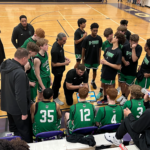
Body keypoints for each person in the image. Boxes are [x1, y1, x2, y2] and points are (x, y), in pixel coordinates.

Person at [1, 48, 32, 143]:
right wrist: (24, 112)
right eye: (27, 59)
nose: (27, 61)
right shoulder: (19, 73)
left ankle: (15, 146)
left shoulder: (5, 65)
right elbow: (20, 95)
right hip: (18, 109)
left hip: (8, 105)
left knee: (14, 131)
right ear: (23, 58)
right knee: (25, 132)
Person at [96, 32, 125, 105]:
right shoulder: (108, 48)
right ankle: (105, 99)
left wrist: (107, 63)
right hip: (104, 71)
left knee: (111, 89)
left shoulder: (118, 52)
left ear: (117, 40)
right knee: (105, 86)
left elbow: (118, 66)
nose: (113, 38)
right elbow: (106, 59)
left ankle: (111, 101)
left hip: (111, 74)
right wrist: (102, 61)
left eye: (114, 37)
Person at [117, 34, 142, 105]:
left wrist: (133, 48)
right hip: (124, 70)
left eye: (136, 42)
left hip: (131, 72)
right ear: (130, 41)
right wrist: (124, 62)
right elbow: (122, 56)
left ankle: (125, 98)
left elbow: (134, 59)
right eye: (134, 42)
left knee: (128, 86)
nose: (135, 44)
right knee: (122, 84)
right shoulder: (125, 47)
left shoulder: (138, 48)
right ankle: (122, 95)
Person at [51, 33, 70, 105]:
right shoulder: (55, 50)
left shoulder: (60, 44)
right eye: (63, 41)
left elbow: (60, 54)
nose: (65, 42)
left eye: (65, 40)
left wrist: (65, 58)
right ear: (59, 39)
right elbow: (54, 64)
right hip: (57, 70)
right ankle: (55, 97)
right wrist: (65, 63)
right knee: (56, 83)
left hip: (60, 69)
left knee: (58, 82)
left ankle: (55, 91)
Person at [82, 23, 102, 89]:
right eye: (94, 30)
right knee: (87, 72)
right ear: (91, 30)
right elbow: (83, 49)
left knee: (94, 71)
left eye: (96, 30)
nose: (95, 32)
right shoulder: (86, 39)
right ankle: (86, 82)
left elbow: (99, 49)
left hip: (95, 59)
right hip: (88, 58)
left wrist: (99, 58)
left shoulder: (99, 38)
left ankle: (93, 81)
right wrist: (83, 59)